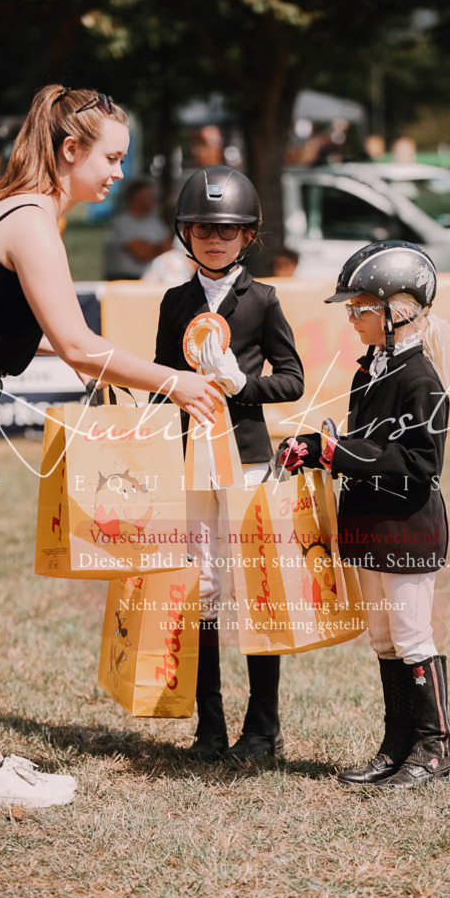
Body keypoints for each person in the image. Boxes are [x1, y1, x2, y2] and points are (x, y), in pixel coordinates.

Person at [0, 85, 221, 808]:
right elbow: (79, 346)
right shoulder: (30, 217)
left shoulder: (17, 207)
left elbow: (50, 338)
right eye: (111, 158)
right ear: (68, 150)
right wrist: (176, 382)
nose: (119, 173)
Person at [279, 240, 450, 789]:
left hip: (406, 527)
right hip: (370, 524)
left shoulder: (420, 379)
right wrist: (317, 447)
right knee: (383, 638)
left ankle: (435, 752)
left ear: (396, 311)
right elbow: (365, 444)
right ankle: (397, 745)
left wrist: (339, 454)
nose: (352, 318)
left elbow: (420, 462)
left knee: (411, 635)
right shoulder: (370, 371)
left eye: (360, 308)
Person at [155, 166, 304, 762]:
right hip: (191, 459)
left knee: (253, 585)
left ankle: (263, 727)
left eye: (226, 230)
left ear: (248, 235)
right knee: (204, 587)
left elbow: (292, 379)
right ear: (185, 233)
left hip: (246, 460)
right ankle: (210, 727)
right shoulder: (175, 302)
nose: (214, 239)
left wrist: (244, 386)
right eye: (202, 228)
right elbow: (162, 380)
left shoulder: (262, 300)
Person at [104, 179, 170, 280]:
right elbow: (140, 253)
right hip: (126, 279)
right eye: (146, 197)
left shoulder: (156, 222)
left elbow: (168, 249)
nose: (151, 200)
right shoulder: (122, 222)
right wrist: (158, 247)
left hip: (152, 278)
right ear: (134, 198)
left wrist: (148, 246)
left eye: (151, 197)